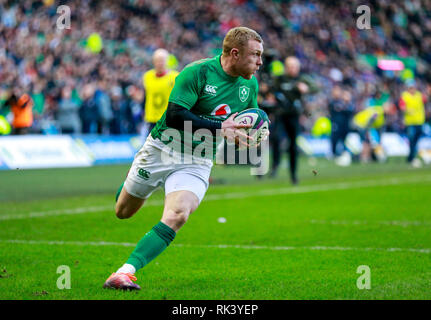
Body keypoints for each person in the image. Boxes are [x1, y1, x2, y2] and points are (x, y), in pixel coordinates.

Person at [103, 27, 265, 290]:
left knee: (178, 214)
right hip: (161, 149)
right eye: (255, 55)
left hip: (197, 160)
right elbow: (177, 115)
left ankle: (124, 272)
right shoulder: (197, 72)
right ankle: (134, 182)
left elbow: (247, 119)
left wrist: (250, 132)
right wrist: (221, 128)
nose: (260, 62)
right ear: (235, 53)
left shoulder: (249, 84)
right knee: (123, 211)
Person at [270, 56, 318, 184]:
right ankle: (275, 166)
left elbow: (316, 88)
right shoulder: (280, 79)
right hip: (281, 114)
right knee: (275, 138)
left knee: (293, 146)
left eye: (294, 66)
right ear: (286, 67)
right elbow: (272, 90)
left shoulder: (302, 79)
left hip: (294, 116)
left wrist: (306, 88)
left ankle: (293, 173)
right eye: (289, 66)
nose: (292, 69)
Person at [141, 49, 179, 142]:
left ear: (167, 61)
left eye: (162, 60)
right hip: (152, 120)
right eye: (157, 60)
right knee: (151, 151)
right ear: (153, 62)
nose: (160, 63)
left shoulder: (175, 77)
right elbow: (146, 96)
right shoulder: (147, 76)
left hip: (168, 120)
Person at [399, 79, 426, 167]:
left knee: (415, 140)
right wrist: (407, 110)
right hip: (410, 122)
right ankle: (411, 157)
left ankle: (411, 157)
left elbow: (425, 100)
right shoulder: (405, 96)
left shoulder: (419, 95)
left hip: (419, 121)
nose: (412, 89)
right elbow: (402, 106)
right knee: (411, 139)